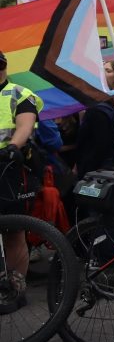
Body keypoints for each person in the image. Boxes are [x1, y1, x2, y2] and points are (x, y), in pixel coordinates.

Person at [0, 49, 41, 313]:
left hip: (8, 167)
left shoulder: (18, 93)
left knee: (13, 232)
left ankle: (16, 288)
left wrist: (14, 146)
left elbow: (25, 124)